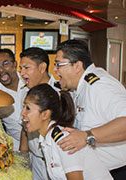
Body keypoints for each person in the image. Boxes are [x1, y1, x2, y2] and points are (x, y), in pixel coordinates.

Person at [53, 39, 126, 179]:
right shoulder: (79, 88)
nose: (54, 70)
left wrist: (87, 136)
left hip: (117, 172)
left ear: (77, 66)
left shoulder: (99, 86)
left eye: (58, 64)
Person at [21, 83, 112, 180]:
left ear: (45, 114)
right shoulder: (46, 139)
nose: (22, 113)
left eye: (28, 108)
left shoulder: (64, 140)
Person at [19, 47, 60, 180]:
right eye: (21, 68)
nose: (22, 73)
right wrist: (22, 158)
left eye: (26, 68)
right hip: (35, 160)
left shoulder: (59, 94)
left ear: (42, 67)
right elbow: (24, 128)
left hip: (55, 161)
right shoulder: (26, 93)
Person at [0, 49, 26, 152]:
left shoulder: (30, 82)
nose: (1, 70)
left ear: (15, 64)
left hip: (42, 147)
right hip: (16, 150)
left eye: (5, 63)